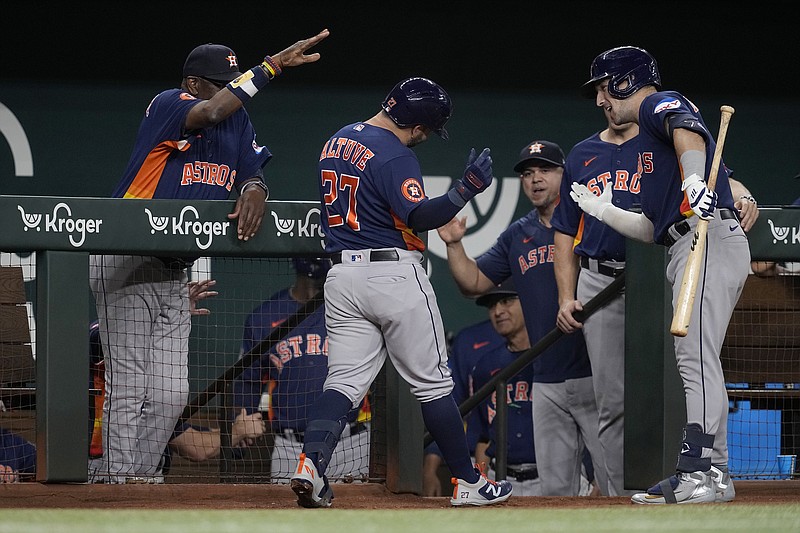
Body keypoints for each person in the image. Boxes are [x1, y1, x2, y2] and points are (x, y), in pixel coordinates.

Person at [88, 29, 330, 483]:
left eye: (235, 80)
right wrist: (272, 64)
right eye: (224, 82)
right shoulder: (169, 104)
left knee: (170, 395)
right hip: (127, 254)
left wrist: (256, 187)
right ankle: (117, 485)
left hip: (173, 270)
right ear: (194, 85)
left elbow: (252, 171)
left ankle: (137, 480)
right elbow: (215, 109)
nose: (233, 90)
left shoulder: (237, 123)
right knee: (131, 385)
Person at [290, 77, 512, 508]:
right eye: (426, 128)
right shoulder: (395, 152)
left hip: (341, 277)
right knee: (433, 384)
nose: (424, 136)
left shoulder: (336, 140)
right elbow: (419, 214)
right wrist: (465, 189)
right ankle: (468, 482)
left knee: (343, 382)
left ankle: (312, 465)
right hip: (392, 275)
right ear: (416, 123)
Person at [552, 97, 762, 497]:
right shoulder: (648, 151)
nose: (600, 99)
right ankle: (714, 473)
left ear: (625, 82)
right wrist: (604, 211)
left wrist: (695, 181)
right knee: (700, 357)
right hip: (683, 242)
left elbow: (688, 129)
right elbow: (652, 228)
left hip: (708, 237)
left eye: (605, 87)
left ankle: (697, 471)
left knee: (694, 356)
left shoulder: (654, 107)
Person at [437, 139, 609, 497]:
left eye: (545, 170)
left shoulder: (591, 220)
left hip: (597, 372)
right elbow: (473, 284)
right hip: (544, 377)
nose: (535, 179)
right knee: (556, 493)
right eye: (528, 173)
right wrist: (454, 245)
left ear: (565, 174)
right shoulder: (518, 234)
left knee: (614, 484)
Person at [231, 258, 370, 482]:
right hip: (291, 448)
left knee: (363, 516)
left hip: (350, 444)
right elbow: (247, 380)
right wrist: (242, 420)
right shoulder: (265, 316)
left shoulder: (354, 309)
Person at [422, 319, 504, 496]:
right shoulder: (470, 343)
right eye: (493, 304)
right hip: (484, 464)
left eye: (507, 301)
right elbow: (449, 404)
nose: (498, 311)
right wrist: (430, 469)